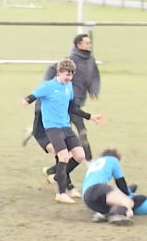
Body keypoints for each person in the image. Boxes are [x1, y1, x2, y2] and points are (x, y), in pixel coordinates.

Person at [22, 59, 105, 204]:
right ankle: (61, 193)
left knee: (80, 155)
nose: (69, 78)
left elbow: (72, 108)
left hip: (65, 127)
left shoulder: (69, 87)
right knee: (64, 157)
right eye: (67, 75)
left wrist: (90, 117)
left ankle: (55, 177)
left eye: (71, 75)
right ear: (59, 72)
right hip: (52, 128)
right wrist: (26, 100)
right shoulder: (48, 86)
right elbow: (33, 96)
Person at [25, 34, 101, 183]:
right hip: (63, 105)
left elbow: (94, 77)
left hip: (75, 103)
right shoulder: (69, 61)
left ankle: (55, 171)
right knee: (77, 134)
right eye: (87, 43)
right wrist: (49, 90)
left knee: (72, 137)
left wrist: (93, 89)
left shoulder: (90, 61)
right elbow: (51, 74)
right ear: (79, 44)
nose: (90, 45)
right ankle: (85, 164)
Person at [81, 149, 135, 226]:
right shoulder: (113, 160)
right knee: (128, 202)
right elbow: (121, 183)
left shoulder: (95, 163)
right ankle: (117, 214)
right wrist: (128, 195)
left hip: (87, 198)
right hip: (97, 188)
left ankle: (103, 214)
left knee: (112, 205)